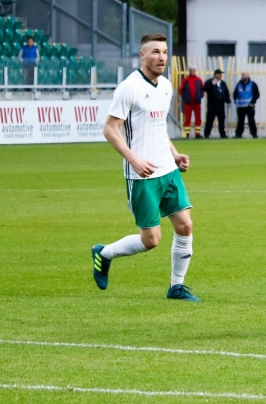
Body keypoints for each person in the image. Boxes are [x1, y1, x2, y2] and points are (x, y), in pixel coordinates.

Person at [91, 33, 200, 302]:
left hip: (168, 170)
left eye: (164, 52)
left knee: (185, 225)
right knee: (151, 239)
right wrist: (135, 160)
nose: (161, 57)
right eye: (155, 52)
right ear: (142, 55)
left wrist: (174, 154)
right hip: (143, 176)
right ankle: (104, 253)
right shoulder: (129, 88)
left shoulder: (165, 86)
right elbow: (109, 129)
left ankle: (176, 287)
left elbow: (159, 126)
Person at [202, 69, 230, 138]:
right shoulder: (209, 81)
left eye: (221, 74)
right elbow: (205, 89)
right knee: (210, 119)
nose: (220, 75)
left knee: (221, 120)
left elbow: (226, 92)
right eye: (219, 74)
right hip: (212, 104)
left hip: (221, 104)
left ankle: (222, 134)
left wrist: (228, 101)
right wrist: (212, 84)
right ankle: (207, 134)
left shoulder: (222, 83)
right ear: (215, 75)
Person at [233, 72, 260, 139]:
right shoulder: (239, 84)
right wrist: (235, 101)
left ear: (247, 76)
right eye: (242, 75)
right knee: (240, 121)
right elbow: (235, 94)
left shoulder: (252, 84)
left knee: (251, 121)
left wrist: (252, 102)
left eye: (244, 75)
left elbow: (256, 94)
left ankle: (254, 134)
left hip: (249, 106)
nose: (242, 76)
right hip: (240, 106)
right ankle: (238, 134)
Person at [179, 67, 204, 138]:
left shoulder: (199, 80)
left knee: (198, 118)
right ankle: (187, 133)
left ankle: (198, 134)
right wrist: (185, 98)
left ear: (195, 71)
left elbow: (202, 89)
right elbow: (181, 90)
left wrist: (199, 97)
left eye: (193, 70)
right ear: (189, 71)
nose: (192, 71)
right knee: (187, 118)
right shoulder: (185, 80)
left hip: (197, 103)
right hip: (188, 103)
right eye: (191, 70)